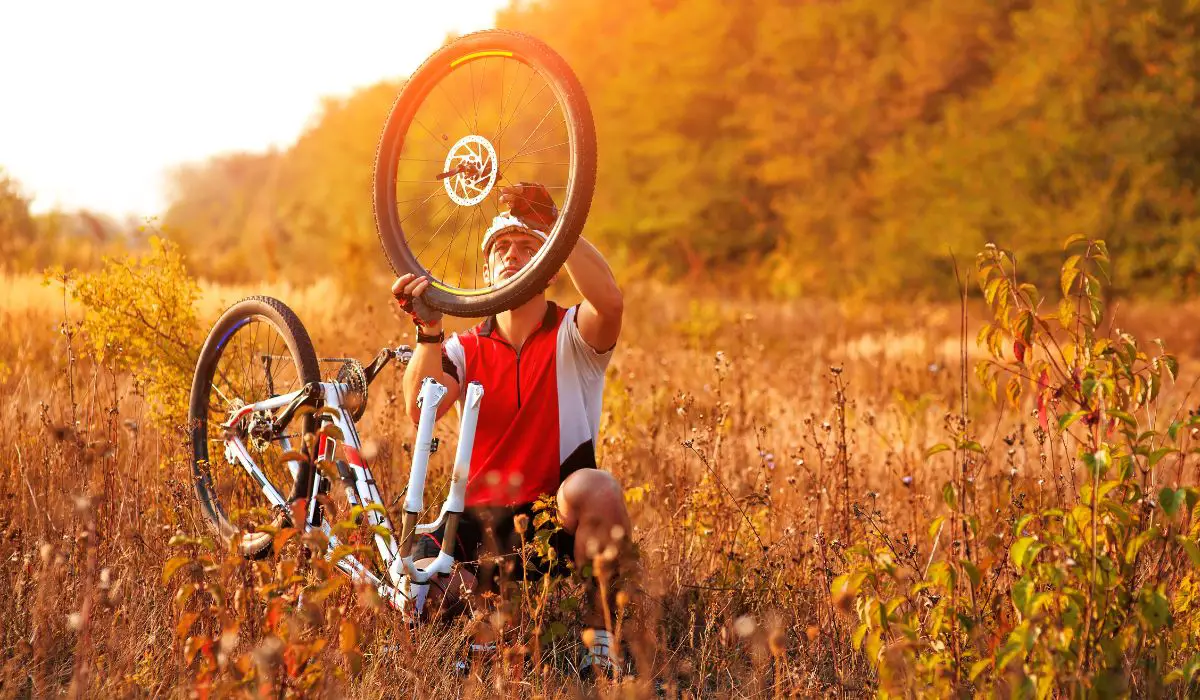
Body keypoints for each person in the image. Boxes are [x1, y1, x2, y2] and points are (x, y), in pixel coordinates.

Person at [391, 183, 633, 678]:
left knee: (598, 488)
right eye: (500, 248)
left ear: (548, 261)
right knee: (412, 594)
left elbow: (609, 302)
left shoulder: (574, 334)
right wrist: (428, 331)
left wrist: (556, 227)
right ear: (486, 271)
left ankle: (600, 641)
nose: (511, 255)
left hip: (553, 524)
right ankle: (485, 639)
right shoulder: (464, 348)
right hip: (478, 530)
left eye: (527, 247)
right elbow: (421, 409)